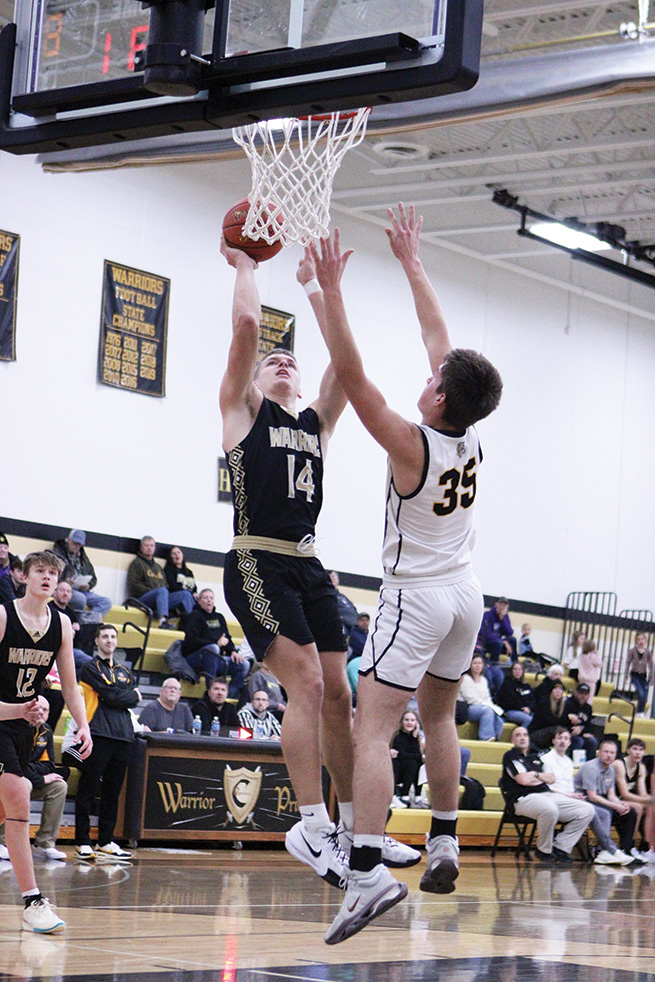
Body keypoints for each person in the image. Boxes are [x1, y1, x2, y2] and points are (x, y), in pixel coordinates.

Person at [311, 203, 503, 943]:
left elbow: (354, 379)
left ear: (438, 398)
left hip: (416, 595)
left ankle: (364, 871)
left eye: (432, 379)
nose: (425, 376)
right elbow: (439, 343)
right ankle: (447, 837)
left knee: (373, 730)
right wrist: (411, 262)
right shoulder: (471, 436)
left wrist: (329, 293)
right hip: (465, 593)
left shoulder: (408, 443)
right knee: (442, 717)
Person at [0, 550, 92, 933]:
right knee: (20, 798)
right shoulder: (4, 615)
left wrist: (82, 725)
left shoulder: (62, 625)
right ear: (24, 576)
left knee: (5, 811)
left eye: (53, 573)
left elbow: (70, 686)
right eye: (40, 570)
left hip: (25, 726)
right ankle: (33, 901)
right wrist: (17, 709)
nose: (47, 577)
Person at [74, 623, 138, 862]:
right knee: (88, 788)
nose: (109, 640)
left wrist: (123, 695)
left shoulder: (125, 670)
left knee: (112, 791)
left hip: (123, 735)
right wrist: (125, 695)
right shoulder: (90, 667)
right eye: (105, 637)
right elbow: (114, 695)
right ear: (97, 641)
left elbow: (128, 697)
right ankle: (82, 841)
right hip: (98, 733)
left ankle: (106, 841)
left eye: (113, 637)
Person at [502, 727, 594, 863]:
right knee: (549, 808)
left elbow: (551, 778)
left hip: (546, 794)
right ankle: (543, 850)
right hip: (522, 799)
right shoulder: (511, 756)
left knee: (587, 810)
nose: (522, 738)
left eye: (525, 735)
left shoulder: (535, 757)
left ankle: (560, 847)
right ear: (512, 740)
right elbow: (522, 780)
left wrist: (534, 775)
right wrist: (538, 777)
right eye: (518, 735)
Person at [0, 710, 68, 863]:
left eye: (46, 711)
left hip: (31, 778)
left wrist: (36, 774)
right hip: (9, 777)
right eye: (40, 710)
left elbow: (49, 765)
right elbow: (15, 766)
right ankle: (2, 842)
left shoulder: (46, 731)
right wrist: (40, 779)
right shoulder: (14, 728)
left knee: (59, 786)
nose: (42, 714)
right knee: (22, 784)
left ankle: (45, 843)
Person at [574, 738, 637, 865]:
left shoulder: (611, 770)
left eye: (612, 753)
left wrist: (620, 804)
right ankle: (605, 851)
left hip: (600, 800)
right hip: (583, 800)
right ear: (599, 753)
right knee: (606, 811)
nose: (609, 756)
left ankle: (625, 849)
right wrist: (614, 805)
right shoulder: (591, 767)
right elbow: (592, 796)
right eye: (606, 752)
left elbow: (611, 795)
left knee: (630, 813)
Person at [182, 589, 249, 699]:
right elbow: (191, 641)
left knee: (244, 664)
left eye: (211, 598)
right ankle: (211, 690)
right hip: (196, 658)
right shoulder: (194, 616)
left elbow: (227, 638)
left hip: (216, 659)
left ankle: (228, 696)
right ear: (198, 600)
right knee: (213, 649)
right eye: (205, 598)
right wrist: (216, 643)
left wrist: (232, 651)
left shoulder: (219, 617)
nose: (209, 601)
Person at [52, 530, 112, 619]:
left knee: (106, 602)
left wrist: (88, 585)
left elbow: (93, 578)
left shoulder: (83, 557)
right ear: (68, 540)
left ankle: (86, 621)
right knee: (80, 599)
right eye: (75, 543)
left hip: (82, 590)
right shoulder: (57, 553)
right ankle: (79, 622)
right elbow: (53, 573)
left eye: (79, 544)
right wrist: (65, 581)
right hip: (66, 589)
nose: (77, 546)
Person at [127, 536, 181, 629]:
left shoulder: (158, 567)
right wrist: (153, 591)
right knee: (161, 591)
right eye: (146, 545)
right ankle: (163, 621)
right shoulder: (136, 563)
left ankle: (190, 624)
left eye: (151, 546)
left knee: (185, 595)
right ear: (141, 548)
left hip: (159, 600)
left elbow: (166, 585)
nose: (149, 548)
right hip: (142, 600)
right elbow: (134, 585)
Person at [612, 738, 652, 860]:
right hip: (612, 798)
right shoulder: (619, 765)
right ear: (628, 750)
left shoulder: (641, 768)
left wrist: (650, 800)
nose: (637, 753)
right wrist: (648, 800)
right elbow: (624, 794)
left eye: (641, 750)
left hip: (623, 799)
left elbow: (643, 794)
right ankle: (629, 845)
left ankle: (646, 846)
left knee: (650, 808)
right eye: (634, 749)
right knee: (638, 807)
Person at [49, 579, 93, 677]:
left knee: (91, 665)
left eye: (68, 591)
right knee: (91, 663)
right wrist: (69, 631)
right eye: (62, 590)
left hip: (71, 649)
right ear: (54, 592)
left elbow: (79, 637)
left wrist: (73, 632)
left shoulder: (71, 612)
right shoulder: (49, 609)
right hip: (56, 650)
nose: (65, 594)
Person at [458, 654, 504, 741]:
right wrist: (487, 706)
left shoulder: (484, 680)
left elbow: (487, 697)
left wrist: (491, 706)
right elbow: (470, 698)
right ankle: (485, 738)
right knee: (488, 711)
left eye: (480, 663)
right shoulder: (465, 679)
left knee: (499, 719)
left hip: (483, 706)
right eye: (475, 663)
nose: (478, 665)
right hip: (469, 707)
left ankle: (496, 739)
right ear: (470, 665)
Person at [390, 711, 425, 800]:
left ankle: (418, 795)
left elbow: (418, 755)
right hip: (398, 769)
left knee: (420, 764)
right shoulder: (397, 736)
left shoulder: (415, 738)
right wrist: (418, 757)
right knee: (412, 763)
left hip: (409, 769)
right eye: (406, 720)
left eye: (412, 720)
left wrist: (414, 736)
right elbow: (401, 755)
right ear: (402, 722)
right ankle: (404, 793)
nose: (409, 722)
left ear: (416, 723)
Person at [528, 679, 568, 749]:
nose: (558, 691)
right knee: (559, 731)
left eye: (560, 689)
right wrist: (568, 718)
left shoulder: (563, 705)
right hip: (535, 732)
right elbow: (550, 721)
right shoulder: (544, 702)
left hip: (549, 732)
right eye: (555, 688)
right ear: (551, 691)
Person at [477, 597, 518, 664]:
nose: (502, 607)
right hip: (486, 643)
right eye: (501, 605)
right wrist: (503, 641)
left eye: (504, 606)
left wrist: (503, 619)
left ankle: (515, 663)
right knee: (498, 643)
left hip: (499, 643)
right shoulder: (487, 615)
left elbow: (509, 633)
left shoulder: (505, 616)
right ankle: (493, 664)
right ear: (496, 604)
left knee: (512, 640)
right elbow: (486, 635)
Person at [496, 660, 535, 728]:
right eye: (515, 669)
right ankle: (520, 735)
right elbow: (510, 701)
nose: (517, 671)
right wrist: (522, 708)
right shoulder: (507, 684)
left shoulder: (526, 686)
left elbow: (532, 700)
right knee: (529, 720)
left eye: (519, 669)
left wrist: (529, 708)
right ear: (511, 671)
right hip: (511, 711)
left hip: (527, 711)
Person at [563, 683, 598, 758]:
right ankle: (571, 762)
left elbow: (590, 726)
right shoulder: (567, 704)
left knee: (592, 741)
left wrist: (581, 729)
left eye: (585, 694)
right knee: (578, 741)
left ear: (588, 696)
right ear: (575, 692)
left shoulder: (588, 708)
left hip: (581, 734)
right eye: (580, 693)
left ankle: (588, 765)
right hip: (567, 733)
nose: (582, 696)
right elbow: (560, 721)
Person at [624, 633, 653, 716]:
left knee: (644, 696)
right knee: (640, 693)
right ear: (636, 641)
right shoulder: (632, 651)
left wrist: (652, 677)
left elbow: (651, 664)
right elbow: (628, 663)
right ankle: (639, 712)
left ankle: (640, 711)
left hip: (643, 676)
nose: (641, 641)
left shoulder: (647, 652)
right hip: (635, 675)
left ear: (645, 640)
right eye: (638, 639)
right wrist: (626, 676)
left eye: (642, 639)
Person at [163, 546, 197, 616]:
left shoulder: (189, 572)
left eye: (178, 552)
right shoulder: (168, 570)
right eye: (174, 553)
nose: (177, 555)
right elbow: (172, 586)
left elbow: (194, 587)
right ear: (170, 557)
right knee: (186, 595)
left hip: (189, 597)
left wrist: (195, 593)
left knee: (205, 598)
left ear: (182, 555)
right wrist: (189, 593)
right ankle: (192, 619)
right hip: (173, 597)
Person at [329, 571, 358, 636]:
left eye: (335, 576)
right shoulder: (327, 595)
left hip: (354, 625)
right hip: (341, 625)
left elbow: (353, 608)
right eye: (331, 576)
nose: (333, 578)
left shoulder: (343, 597)